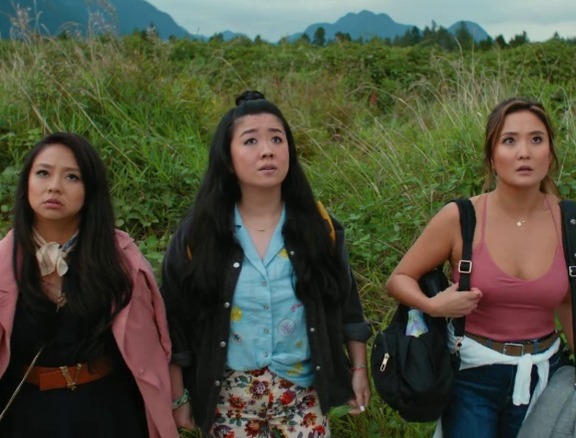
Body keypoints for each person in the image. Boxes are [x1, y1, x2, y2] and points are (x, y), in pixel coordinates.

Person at [386, 97, 576, 437]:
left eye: (536, 140)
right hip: (472, 376)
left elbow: (568, 302)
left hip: (543, 375)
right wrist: (434, 305)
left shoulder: (570, 220)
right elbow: (399, 279)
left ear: (550, 155)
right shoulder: (461, 218)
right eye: (510, 140)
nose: (524, 152)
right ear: (492, 158)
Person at [161, 91, 371, 437]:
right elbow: (174, 318)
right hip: (229, 398)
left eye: (277, 138)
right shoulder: (199, 235)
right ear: (227, 158)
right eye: (250, 141)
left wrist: (358, 368)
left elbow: (346, 302)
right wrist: (178, 394)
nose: (267, 150)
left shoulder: (320, 227)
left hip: (303, 393)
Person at [0, 132, 178, 437]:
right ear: (27, 182)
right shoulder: (4, 263)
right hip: (26, 416)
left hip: (108, 413)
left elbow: (152, 348)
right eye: (43, 173)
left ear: (90, 189)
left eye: (72, 177)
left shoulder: (120, 260)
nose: (54, 186)